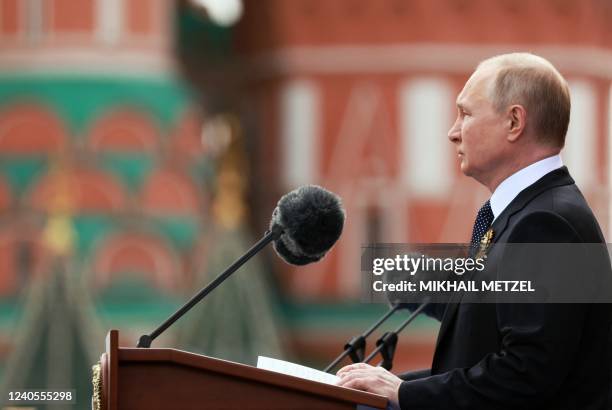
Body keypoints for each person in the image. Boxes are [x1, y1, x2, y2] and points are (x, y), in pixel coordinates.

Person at [336, 53, 612, 409]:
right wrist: (383, 387)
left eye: (465, 114)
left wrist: (402, 392)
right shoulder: (526, 212)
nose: (453, 132)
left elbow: (524, 377)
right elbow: (486, 338)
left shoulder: (546, 223)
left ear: (514, 122)